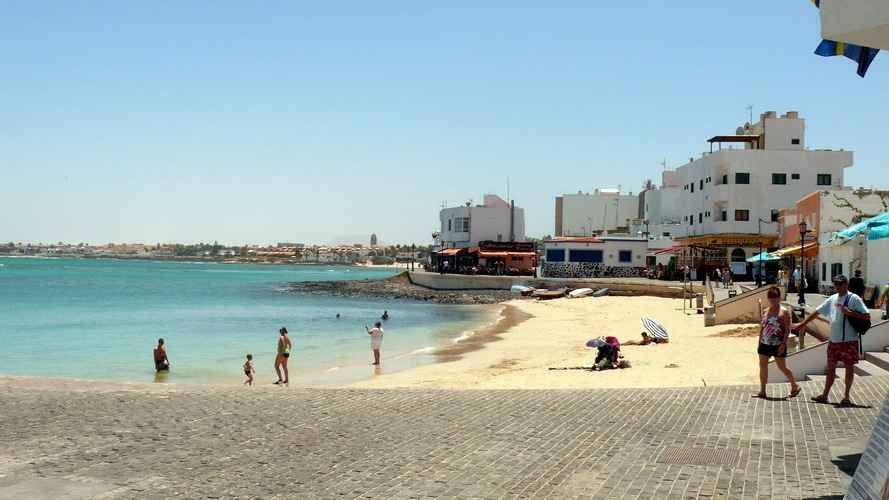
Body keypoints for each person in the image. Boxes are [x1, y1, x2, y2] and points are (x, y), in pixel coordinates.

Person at [793, 275, 870, 406]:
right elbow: (817, 312)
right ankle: (825, 395)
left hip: (849, 341)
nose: (837, 287)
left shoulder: (854, 298)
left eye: (840, 284)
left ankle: (846, 397)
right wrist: (802, 324)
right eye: (836, 284)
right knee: (830, 369)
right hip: (833, 341)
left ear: (846, 284)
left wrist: (850, 313)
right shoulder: (833, 298)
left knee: (849, 369)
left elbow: (867, 316)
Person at [754, 286, 799, 399]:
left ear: (779, 297)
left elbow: (787, 329)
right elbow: (762, 328)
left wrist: (783, 344)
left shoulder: (784, 312)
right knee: (763, 366)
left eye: (775, 297)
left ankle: (794, 385)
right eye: (770, 297)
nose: (772, 299)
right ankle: (762, 391)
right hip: (764, 343)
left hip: (778, 344)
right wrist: (759, 342)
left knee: (782, 367)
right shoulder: (765, 311)